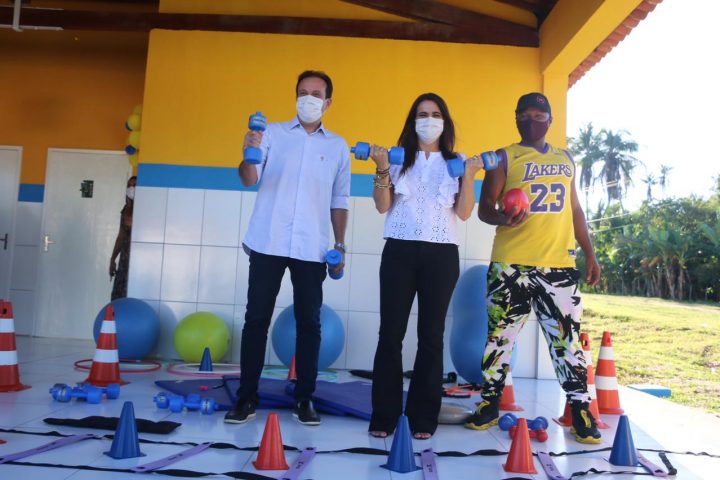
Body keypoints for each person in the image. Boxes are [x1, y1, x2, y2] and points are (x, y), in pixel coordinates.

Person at [465, 92, 603, 444]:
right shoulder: (503, 157)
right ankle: (490, 403)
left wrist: (590, 253)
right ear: (516, 118)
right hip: (511, 263)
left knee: (567, 341)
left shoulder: (566, 158)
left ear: (549, 120)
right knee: (500, 337)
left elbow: (575, 210)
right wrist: (504, 218)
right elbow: (485, 208)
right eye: (524, 115)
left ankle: (580, 409)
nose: (531, 121)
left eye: (538, 115)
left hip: (559, 265)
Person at [224, 71, 350, 426]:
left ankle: (304, 397)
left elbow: (339, 200)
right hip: (268, 240)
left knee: (309, 322)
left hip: (312, 247)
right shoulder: (272, 134)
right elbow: (249, 179)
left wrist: (340, 244)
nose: (308, 98)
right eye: (302, 92)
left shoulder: (338, 146)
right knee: (256, 319)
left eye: (316, 94)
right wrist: (247, 153)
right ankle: (246, 397)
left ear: (328, 102)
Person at [367, 93, 485, 439]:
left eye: (435, 114)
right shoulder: (396, 157)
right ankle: (385, 415)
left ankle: (423, 417)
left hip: (441, 255)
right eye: (422, 114)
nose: (428, 120)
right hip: (399, 250)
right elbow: (382, 205)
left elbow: (464, 212)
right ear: (413, 120)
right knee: (390, 334)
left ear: (444, 122)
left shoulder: (457, 161)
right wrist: (381, 167)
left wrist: (470, 176)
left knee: (431, 337)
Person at [109, 176, 136, 300]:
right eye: (129, 186)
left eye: (134, 185)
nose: (131, 188)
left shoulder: (146, 210)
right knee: (120, 296)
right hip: (125, 259)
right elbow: (121, 236)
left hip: (138, 261)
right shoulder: (126, 210)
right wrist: (112, 259)